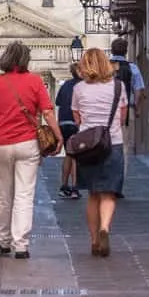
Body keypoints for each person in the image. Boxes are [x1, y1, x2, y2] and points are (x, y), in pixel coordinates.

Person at [0, 41, 62, 259]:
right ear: (25, 59)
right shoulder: (35, 81)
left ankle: (3, 240)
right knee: (24, 194)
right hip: (27, 143)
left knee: (4, 194)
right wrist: (58, 136)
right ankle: (20, 244)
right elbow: (48, 113)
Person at [72, 47, 128, 258]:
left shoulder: (79, 89)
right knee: (109, 192)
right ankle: (105, 227)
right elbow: (122, 118)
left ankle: (95, 239)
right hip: (112, 143)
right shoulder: (118, 87)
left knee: (93, 194)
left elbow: (77, 119)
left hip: (88, 147)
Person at [110, 37, 145, 172]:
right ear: (126, 51)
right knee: (123, 144)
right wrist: (136, 107)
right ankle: (120, 174)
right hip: (126, 110)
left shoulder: (106, 66)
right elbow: (139, 90)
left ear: (112, 50)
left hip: (106, 109)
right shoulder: (132, 68)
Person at [55, 63, 83, 199]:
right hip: (75, 123)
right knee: (76, 156)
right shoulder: (83, 86)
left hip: (63, 122)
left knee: (69, 154)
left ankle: (64, 186)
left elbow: (58, 102)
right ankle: (75, 187)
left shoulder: (65, 85)